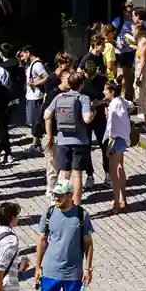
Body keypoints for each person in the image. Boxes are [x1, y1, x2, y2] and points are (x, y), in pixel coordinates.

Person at [31, 178, 96, 291]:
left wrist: (88, 267)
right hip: (51, 270)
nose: (56, 199)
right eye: (54, 195)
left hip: (73, 272)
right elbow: (42, 240)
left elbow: (88, 244)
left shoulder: (81, 215)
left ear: (70, 195)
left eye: (60, 196)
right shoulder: (49, 213)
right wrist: (37, 267)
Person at [46, 70, 96, 205]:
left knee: (63, 174)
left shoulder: (59, 97)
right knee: (77, 175)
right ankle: (76, 205)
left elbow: (47, 114)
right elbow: (86, 119)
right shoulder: (83, 98)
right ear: (81, 85)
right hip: (79, 142)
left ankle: (62, 203)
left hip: (62, 141)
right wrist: (93, 112)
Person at [102, 79, 131, 214]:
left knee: (113, 172)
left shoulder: (114, 105)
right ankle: (124, 199)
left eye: (106, 90)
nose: (104, 92)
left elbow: (111, 127)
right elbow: (131, 105)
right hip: (124, 138)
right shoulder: (122, 101)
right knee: (120, 167)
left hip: (115, 139)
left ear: (112, 91)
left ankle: (116, 203)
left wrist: (109, 145)